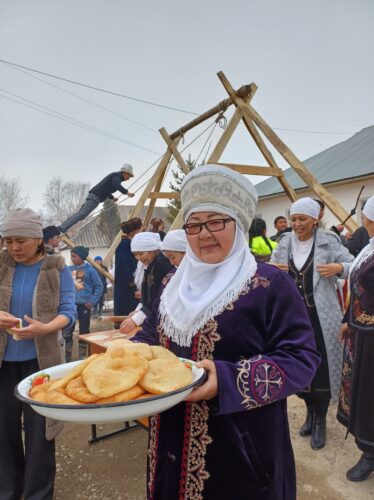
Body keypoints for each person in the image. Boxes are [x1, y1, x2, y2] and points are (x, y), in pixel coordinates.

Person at [129, 164, 320, 500]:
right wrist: (130, 354)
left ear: (239, 225)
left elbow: (302, 358)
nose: (204, 234)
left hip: (241, 447)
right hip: (168, 435)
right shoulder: (172, 283)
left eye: (216, 222)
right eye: (195, 224)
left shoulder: (270, 285)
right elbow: (150, 335)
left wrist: (229, 380)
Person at [0, 208, 76, 500]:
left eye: (20, 240)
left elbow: (67, 312)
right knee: (3, 434)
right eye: (8, 240)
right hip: (3, 365)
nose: (13, 247)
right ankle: (8, 492)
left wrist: (44, 328)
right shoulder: (2, 264)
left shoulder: (56, 267)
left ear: (37, 238)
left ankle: (37, 494)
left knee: (40, 435)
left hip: (40, 366)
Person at [271, 197, 353, 450]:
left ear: (314, 220)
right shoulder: (284, 243)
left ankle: (320, 420)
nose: (296, 224)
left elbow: (355, 264)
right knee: (298, 364)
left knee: (321, 365)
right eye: (294, 219)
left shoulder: (329, 240)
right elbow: (268, 269)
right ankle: (308, 411)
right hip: (292, 317)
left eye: (302, 219)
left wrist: (339, 267)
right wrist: (275, 269)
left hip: (320, 315)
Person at [337, 195, 374, 482]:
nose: (365, 222)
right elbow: (359, 288)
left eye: (366, 218)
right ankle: (369, 452)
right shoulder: (370, 249)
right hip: (364, 336)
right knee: (365, 392)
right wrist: (348, 321)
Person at [119, 232, 173, 334]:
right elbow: (147, 294)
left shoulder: (161, 265)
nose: (138, 258)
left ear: (152, 250)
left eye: (141, 253)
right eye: (135, 255)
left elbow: (157, 297)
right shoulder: (150, 265)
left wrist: (137, 319)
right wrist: (139, 310)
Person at [59, 164, 136, 234]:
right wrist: (127, 193)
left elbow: (106, 189)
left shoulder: (115, 177)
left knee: (81, 214)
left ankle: (63, 228)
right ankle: (62, 228)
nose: (129, 178)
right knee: (82, 214)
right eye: (129, 175)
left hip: (94, 196)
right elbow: (116, 184)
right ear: (125, 172)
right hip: (95, 197)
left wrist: (112, 198)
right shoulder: (117, 176)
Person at [63, 246, 103, 360]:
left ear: (82, 257)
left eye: (74, 256)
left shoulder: (91, 270)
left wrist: (92, 301)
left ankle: (83, 357)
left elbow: (99, 286)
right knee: (67, 329)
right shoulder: (67, 269)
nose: (72, 258)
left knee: (84, 330)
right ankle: (67, 356)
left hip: (84, 305)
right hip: (70, 305)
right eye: (71, 256)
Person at [114, 218, 142, 324]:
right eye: (139, 229)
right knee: (129, 317)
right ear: (134, 231)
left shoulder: (128, 245)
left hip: (130, 289)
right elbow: (128, 270)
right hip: (128, 291)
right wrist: (135, 288)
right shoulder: (125, 247)